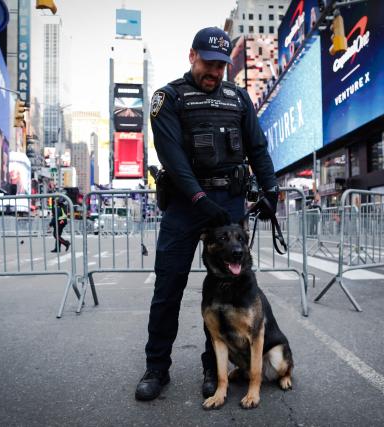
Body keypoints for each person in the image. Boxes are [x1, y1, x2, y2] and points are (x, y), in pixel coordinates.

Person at [134, 27, 279, 401]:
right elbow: (173, 159)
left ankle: (211, 369)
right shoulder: (168, 98)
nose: (214, 72)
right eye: (208, 64)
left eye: (221, 65)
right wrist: (200, 199)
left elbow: (258, 149)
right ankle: (156, 368)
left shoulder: (238, 98)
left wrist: (271, 191)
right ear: (191, 56)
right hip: (186, 203)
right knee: (168, 288)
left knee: (229, 290)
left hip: (228, 203)